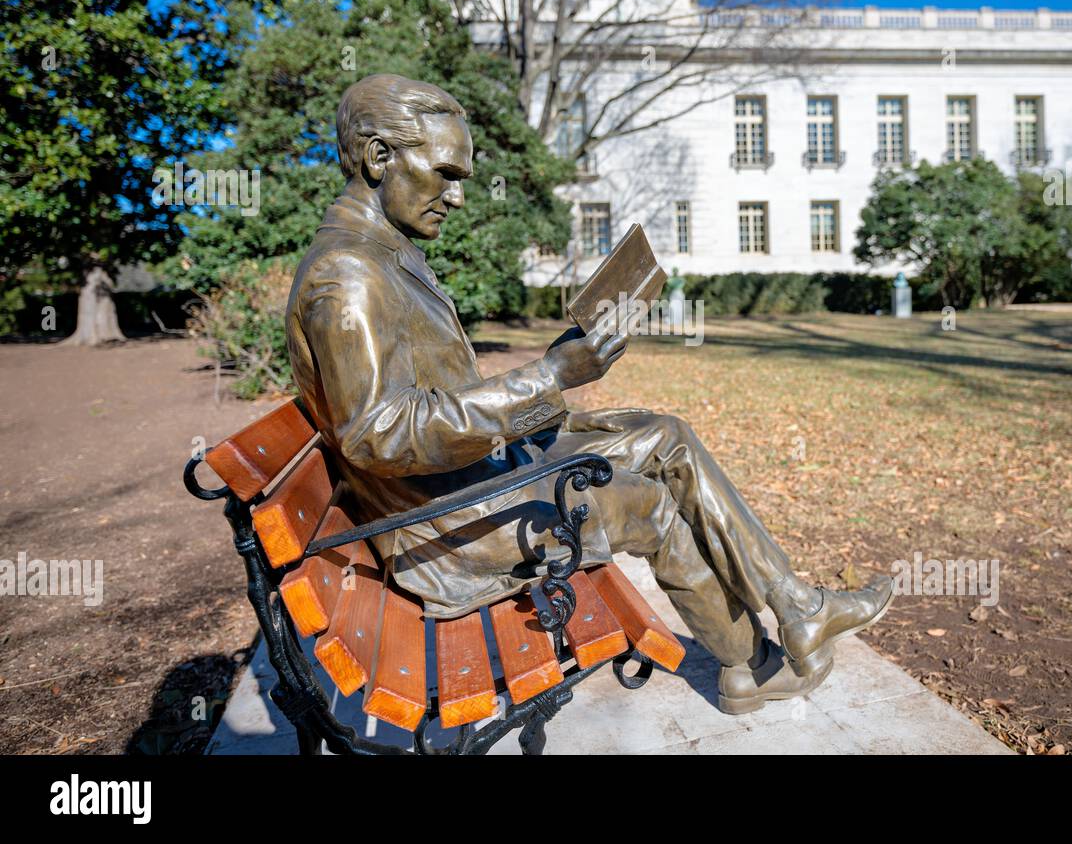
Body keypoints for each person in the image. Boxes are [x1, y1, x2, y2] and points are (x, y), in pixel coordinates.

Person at [286, 74, 893, 714]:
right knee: (652, 506)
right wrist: (552, 378)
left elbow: (433, 401)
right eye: (446, 173)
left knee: (665, 434)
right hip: (453, 527)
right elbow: (381, 433)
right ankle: (752, 667)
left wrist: (556, 363)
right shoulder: (349, 272)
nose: (459, 197)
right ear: (380, 157)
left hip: (472, 478)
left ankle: (796, 607)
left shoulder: (382, 253)